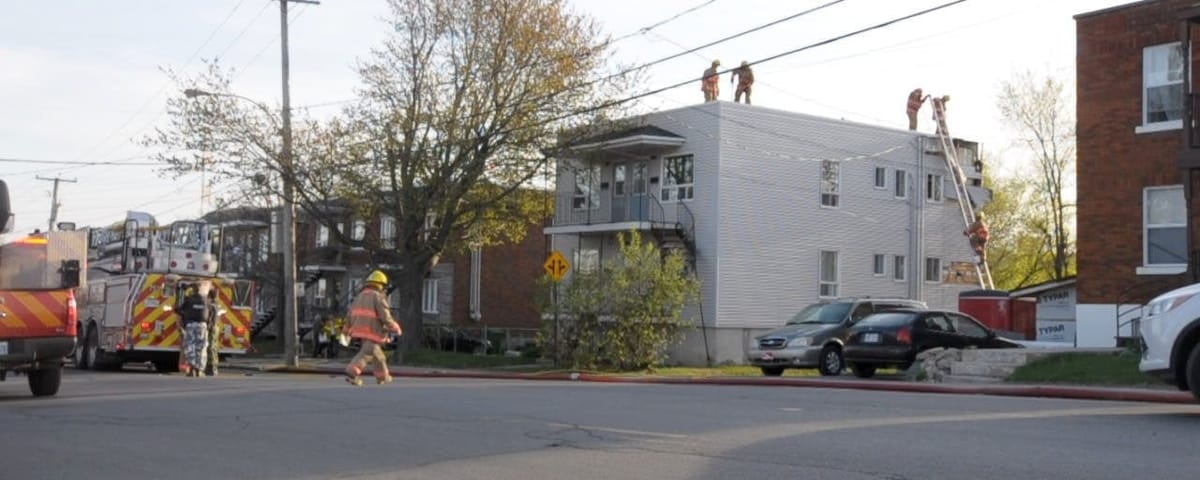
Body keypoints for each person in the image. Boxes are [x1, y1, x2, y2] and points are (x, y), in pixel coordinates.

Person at [342, 270, 402, 386]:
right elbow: (385, 316)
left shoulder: (359, 296)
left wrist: (346, 330)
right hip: (372, 331)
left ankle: (383, 377)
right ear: (381, 285)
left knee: (378, 355)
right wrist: (395, 327)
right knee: (367, 353)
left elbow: (350, 314)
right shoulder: (378, 297)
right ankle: (351, 373)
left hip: (358, 329)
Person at [178, 284, 210, 377]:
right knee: (201, 347)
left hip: (191, 325)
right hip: (202, 326)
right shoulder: (206, 300)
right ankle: (199, 370)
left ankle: (191, 369)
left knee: (190, 346)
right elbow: (211, 312)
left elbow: (179, 309)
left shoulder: (188, 300)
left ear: (193, 291)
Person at [204, 289, 221, 377]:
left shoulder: (211, 305)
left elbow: (210, 317)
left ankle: (211, 367)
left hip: (212, 327)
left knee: (210, 347)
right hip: (216, 327)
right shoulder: (217, 304)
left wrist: (208, 326)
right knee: (214, 347)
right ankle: (214, 367)